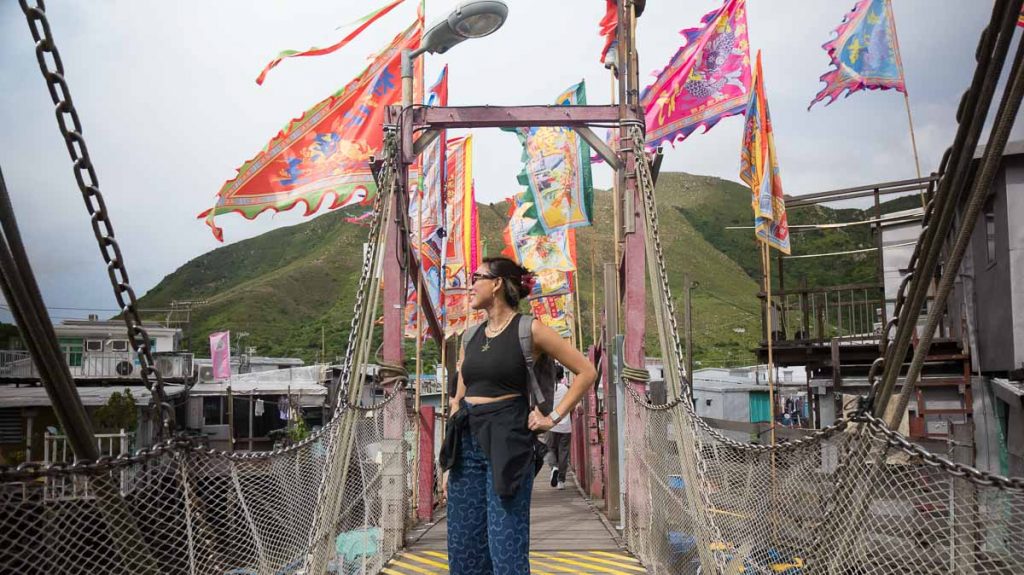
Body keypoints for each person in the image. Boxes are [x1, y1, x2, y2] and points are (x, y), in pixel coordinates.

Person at [440, 257, 598, 575]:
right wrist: (448, 463)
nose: (470, 284)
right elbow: (458, 399)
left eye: (477, 277)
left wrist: (551, 417)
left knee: (505, 545)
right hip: (467, 442)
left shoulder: (530, 330)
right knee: (463, 546)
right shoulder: (470, 337)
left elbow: (586, 371)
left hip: (508, 442)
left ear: (497, 284)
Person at [545, 366, 572, 490]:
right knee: (564, 452)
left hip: (551, 425)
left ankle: (553, 467)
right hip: (566, 426)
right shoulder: (566, 389)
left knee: (549, 448)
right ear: (562, 376)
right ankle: (561, 481)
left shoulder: (548, 389)